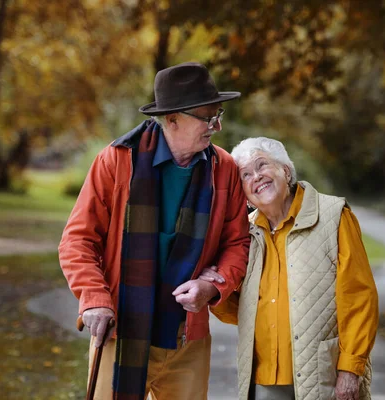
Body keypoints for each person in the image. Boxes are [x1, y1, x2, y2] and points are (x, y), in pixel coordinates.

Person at [58, 62, 250, 400]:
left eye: (218, 114)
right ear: (173, 118)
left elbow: (238, 243)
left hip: (187, 337)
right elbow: (78, 240)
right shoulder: (116, 160)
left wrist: (212, 284)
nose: (217, 127)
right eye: (208, 117)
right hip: (122, 331)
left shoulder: (225, 169)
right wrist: (95, 299)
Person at [204, 137, 378, 400]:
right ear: (243, 192)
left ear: (285, 170)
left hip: (324, 377)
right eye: (246, 175)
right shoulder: (244, 233)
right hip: (263, 380)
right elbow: (241, 312)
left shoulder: (333, 216)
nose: (257, 177)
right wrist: (214, 289)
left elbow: (359, 298)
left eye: (263, 165)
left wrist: (350, 369)